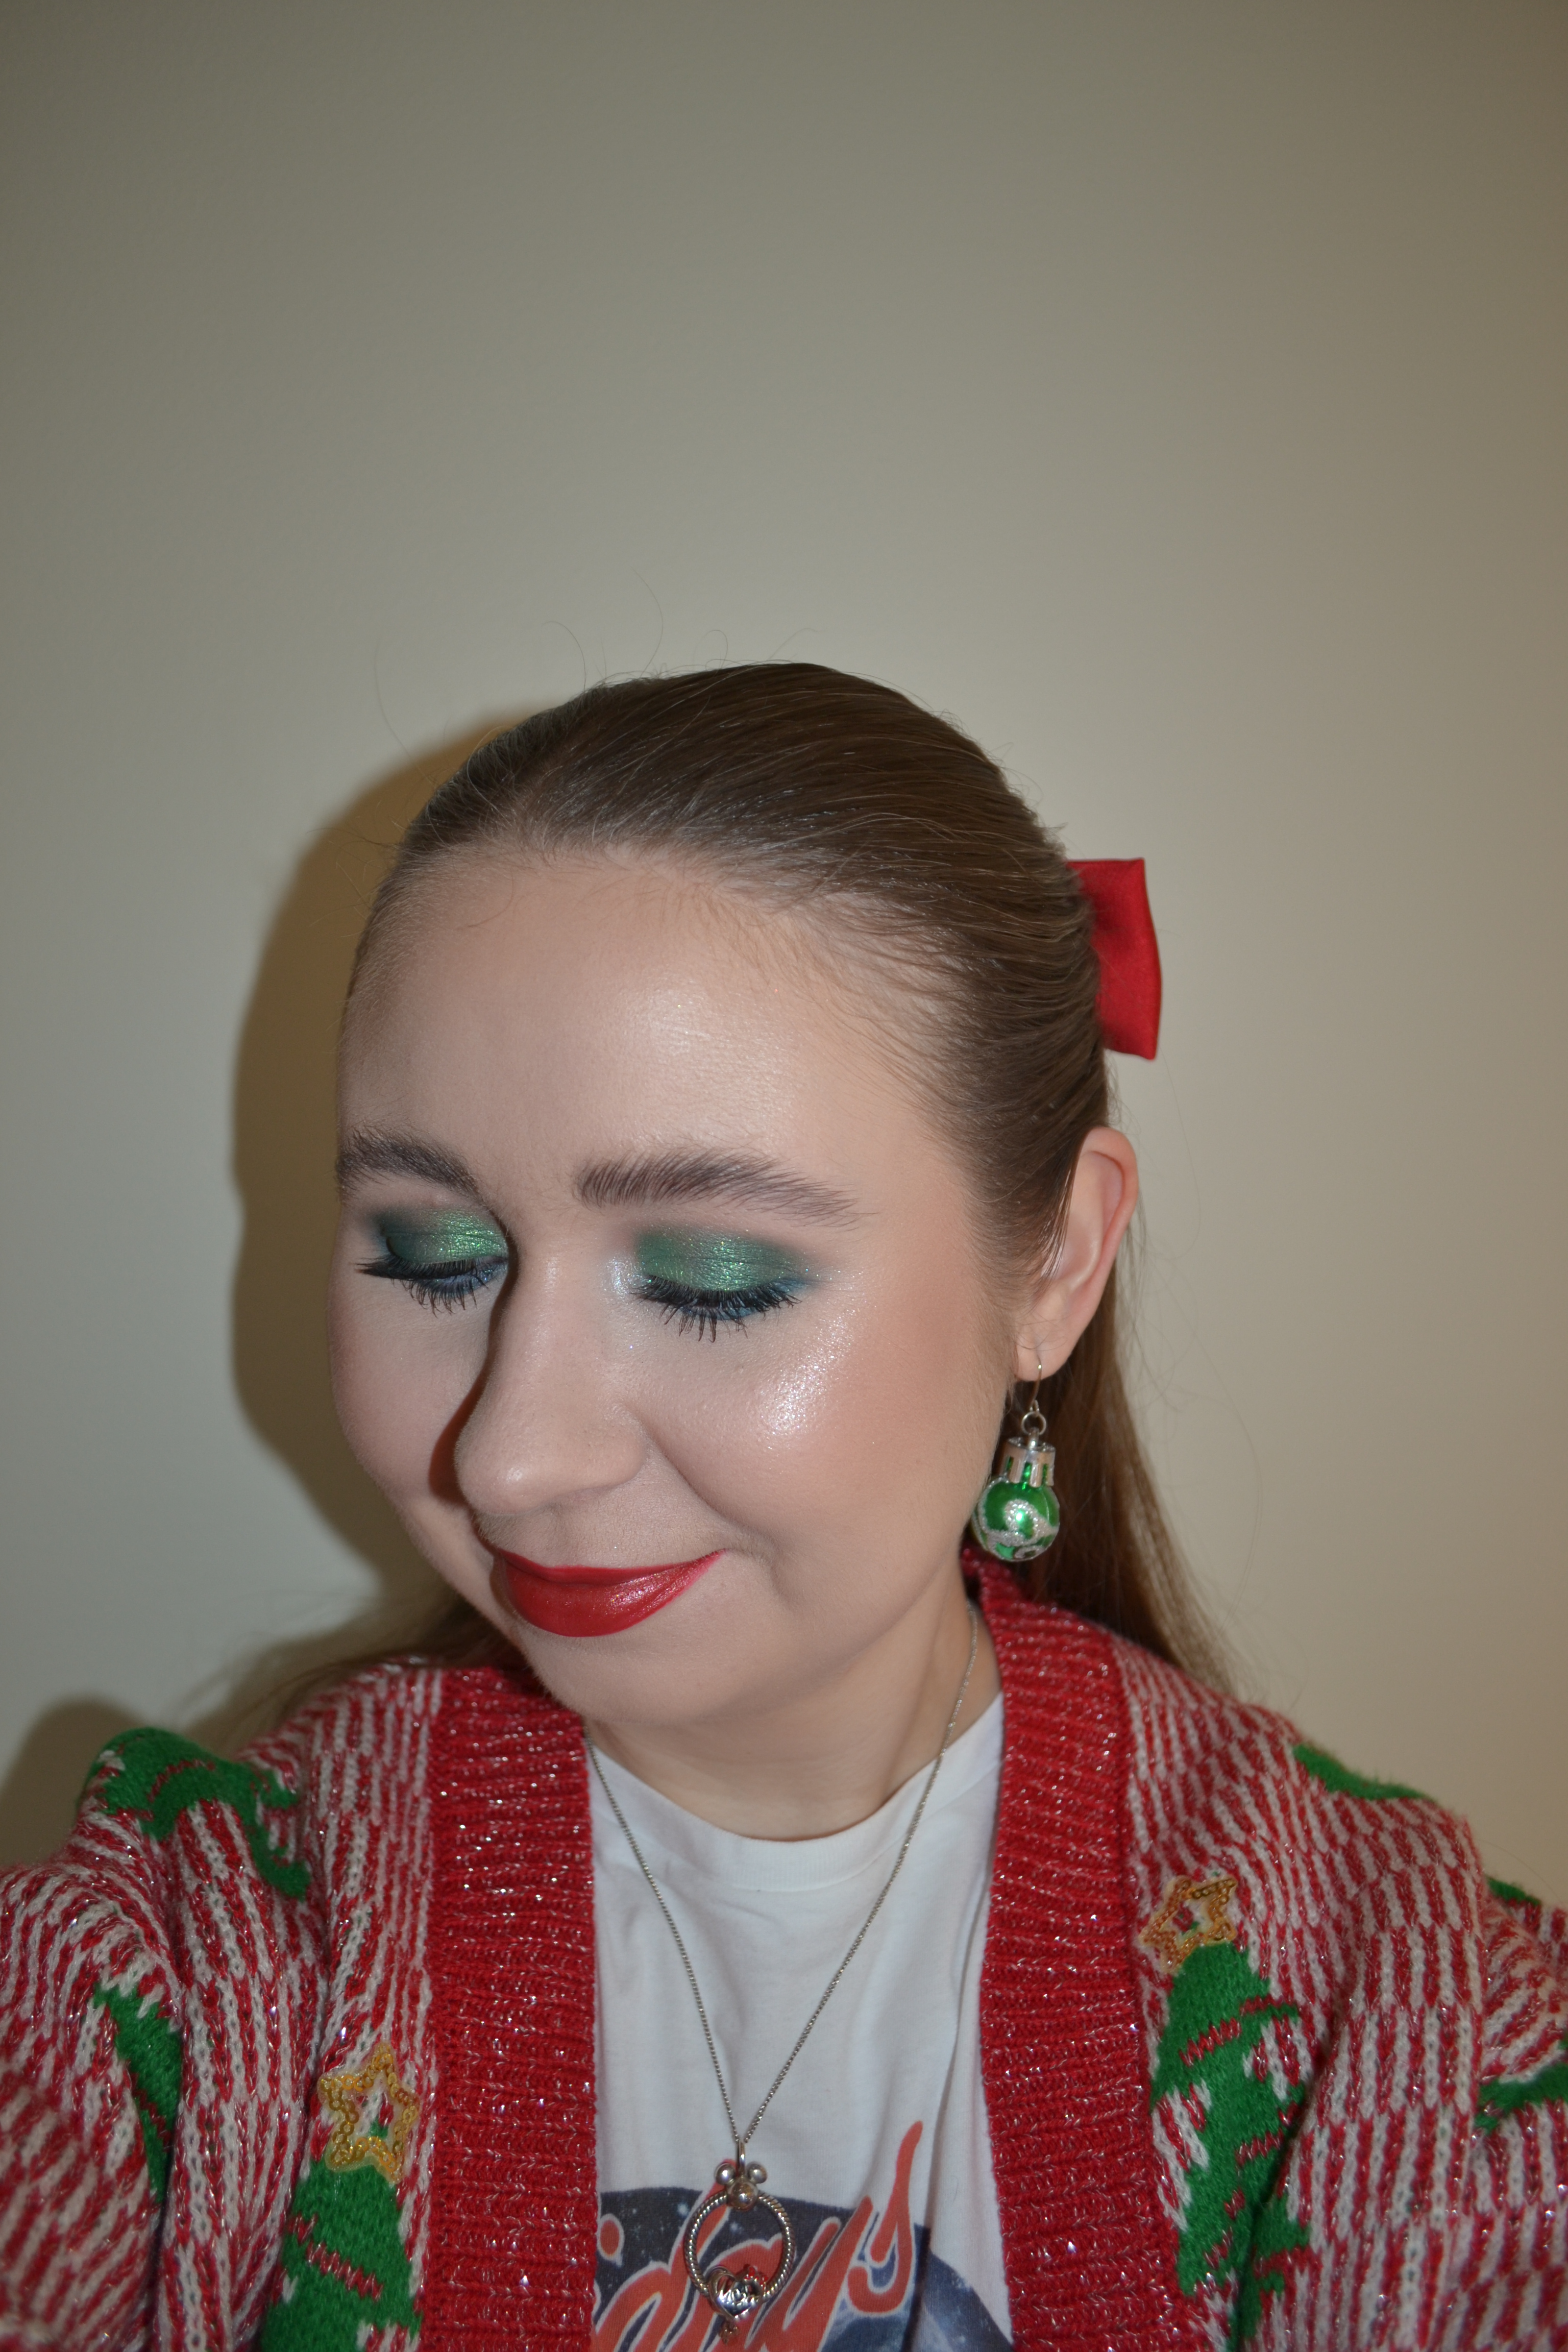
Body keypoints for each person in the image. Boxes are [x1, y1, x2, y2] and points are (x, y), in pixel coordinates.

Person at [2, 665, 1564, 2352]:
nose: (511, 1456)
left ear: (1056, 1261)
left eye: (712, 1279)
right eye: (434, 1253)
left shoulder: (1402, 2020)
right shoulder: (200, 1943)